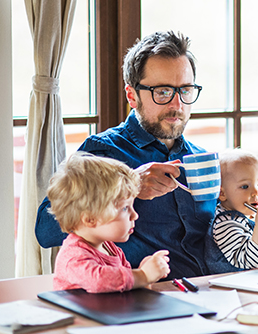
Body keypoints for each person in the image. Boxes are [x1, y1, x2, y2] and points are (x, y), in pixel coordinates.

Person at [35, 31, 217, 280]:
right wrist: (129, 185)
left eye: (185, 90)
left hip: (212, 292)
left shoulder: (201, 158)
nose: (177, 105)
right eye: (163, 92)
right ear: (132, 96)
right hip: (141, 299)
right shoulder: (102, 152)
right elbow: (45, 231)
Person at [48, 152, 170, 293]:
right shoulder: (73, 256)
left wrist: (146, 275)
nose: (135, 215)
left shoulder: (110, 248)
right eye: (125, 208)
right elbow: (98, 281)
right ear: (90, 218)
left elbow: (121, 286)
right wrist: (142, 275)